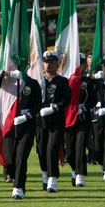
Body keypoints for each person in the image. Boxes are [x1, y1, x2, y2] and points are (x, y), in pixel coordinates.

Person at [0, 64, 41, 199]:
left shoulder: (32, 83)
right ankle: (16, 175)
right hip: (9, 123)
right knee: (9, 159)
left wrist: (27, 116)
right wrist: (9, 74)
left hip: (26, 123)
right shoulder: (5, 82)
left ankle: (18, 187)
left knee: (21, 156)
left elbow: (37, 105)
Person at [37, 49, 70, 193]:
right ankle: (45, 172)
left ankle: (53, 178)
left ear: (57, 63)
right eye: (46, 62)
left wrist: (55, 107)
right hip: (40, 119)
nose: (48, 65)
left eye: (51, 62)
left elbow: (67, 100)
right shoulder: (38, 80)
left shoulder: (62, 81)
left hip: (56, 119)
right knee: (41, 149)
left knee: (52, 146)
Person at [67, 53, 98, 187]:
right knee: (69, 149)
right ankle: (74, 169)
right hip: (68, 116)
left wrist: (83, 108)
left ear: (84, 65)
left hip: (82, 117)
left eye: (80, 63)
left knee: (80, 145)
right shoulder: (66, 80)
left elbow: (93, 100)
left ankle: (80, 174)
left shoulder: (87, 81)